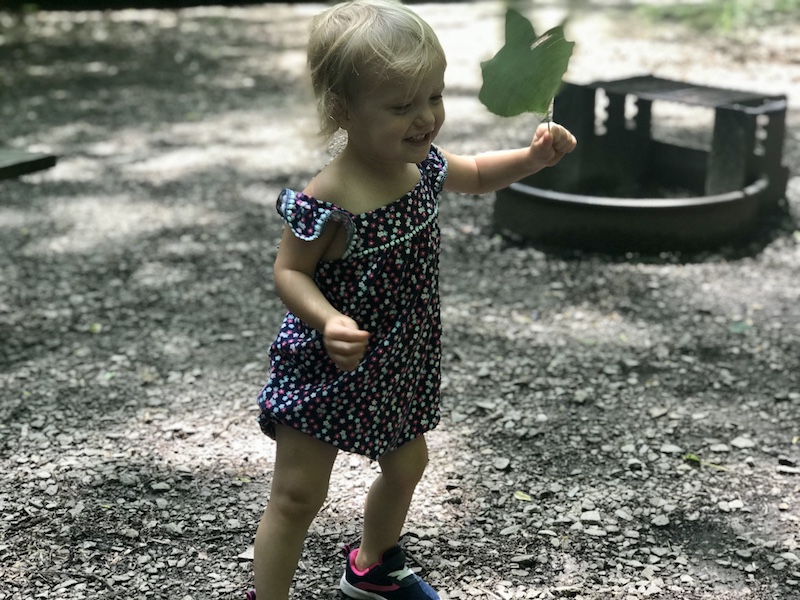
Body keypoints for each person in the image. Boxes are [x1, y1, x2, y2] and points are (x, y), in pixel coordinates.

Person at [247, 1, 576, 599]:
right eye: (401, 106)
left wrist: (532, 158)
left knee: (406, 466)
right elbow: (288, 272)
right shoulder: (331, 198)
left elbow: (475, 172)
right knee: (298, 497)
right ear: (342, 110)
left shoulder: (420, 165)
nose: (426, 118)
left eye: (434, 96)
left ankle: (372, 567)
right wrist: (327, 320)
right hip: (329, 362)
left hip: (399, 356)